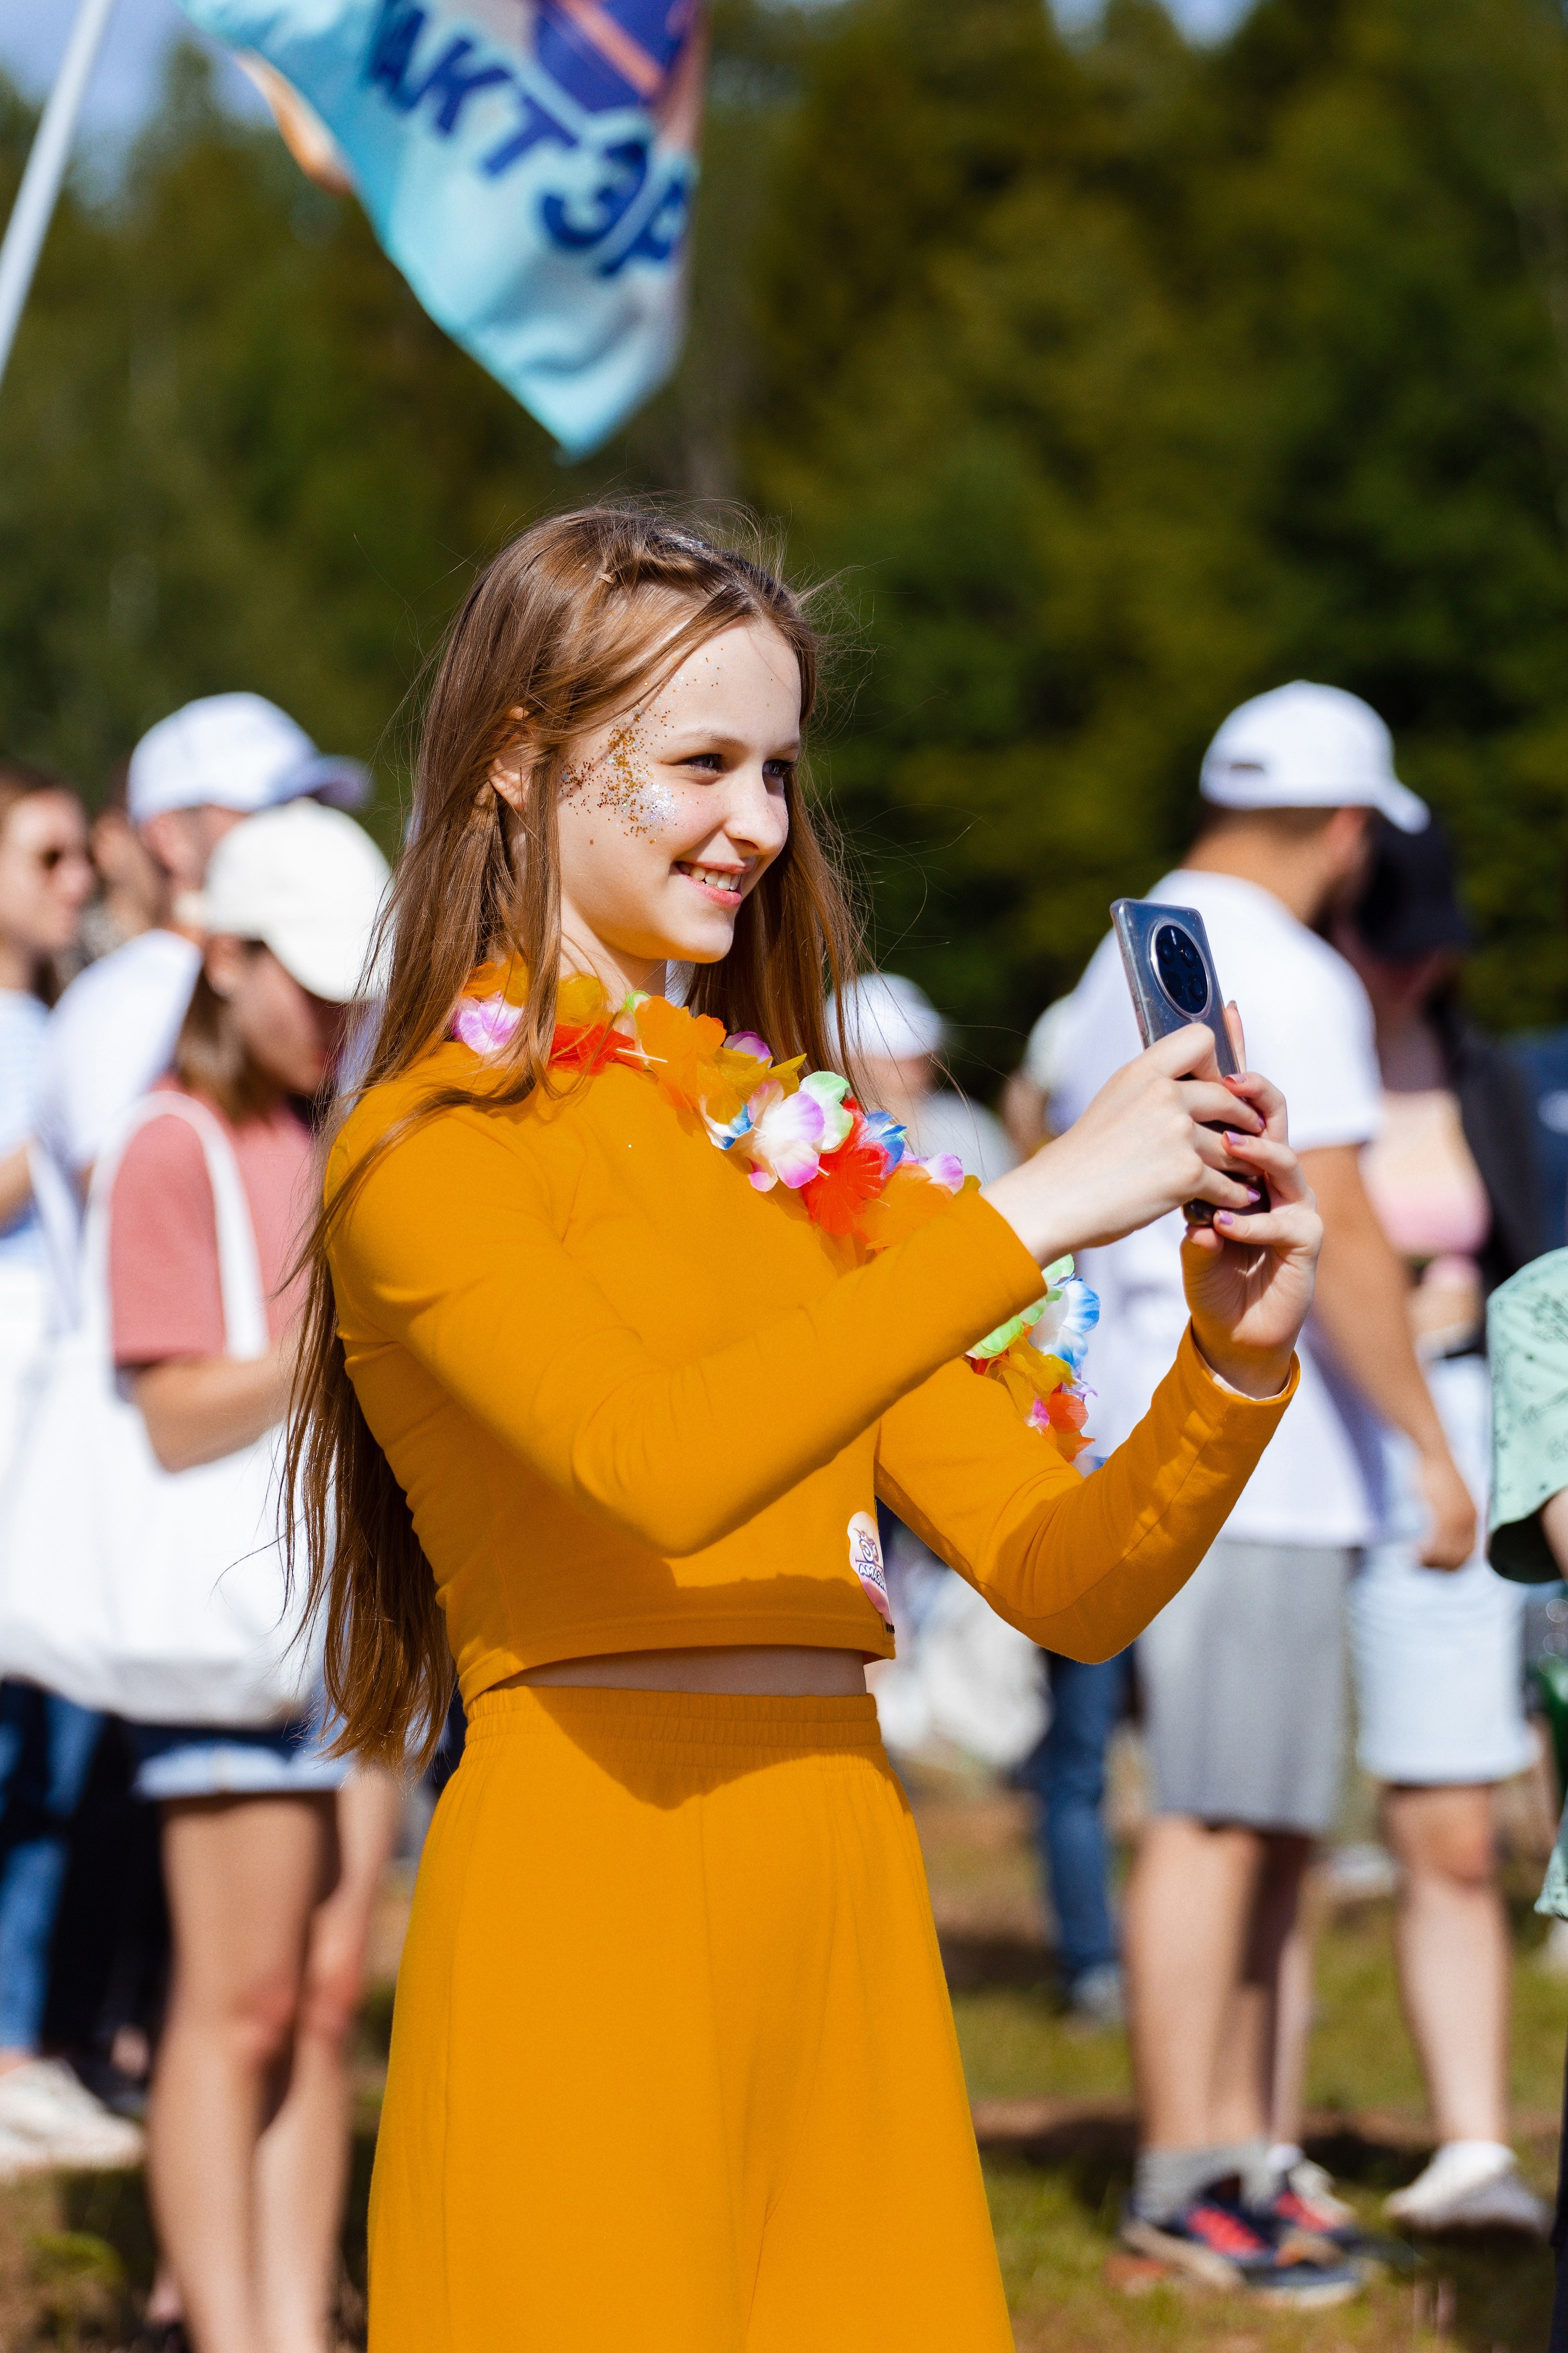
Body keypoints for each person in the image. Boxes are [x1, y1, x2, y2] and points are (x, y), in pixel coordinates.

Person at [284, 506, 1337, 2350]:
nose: (758, 823)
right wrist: (1027, 1210)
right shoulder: (424, 1150)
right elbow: (655, 1464)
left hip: (842, 1873)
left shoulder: (807, 1159)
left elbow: (1061, 1578)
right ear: (524, 767)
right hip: (590, 1878)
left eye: (776, 768)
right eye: (697, 762)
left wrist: (1230, 1365)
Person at [1048, 681, 1477, 2290]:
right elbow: (1343, 1229)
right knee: (1223, 1826)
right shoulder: (1288, 969)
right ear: (1352, 828)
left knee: (1264, 1826)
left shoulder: (1128, 955)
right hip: (1254, 1448)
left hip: (1187, 1430)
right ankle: (1188, 2175)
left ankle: (1245, 2153)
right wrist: (1432, 1454)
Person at [104, 800, 399, 2353]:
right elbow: (165, 1412)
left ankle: (294, 2317)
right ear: (225, 960)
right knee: (238, 2007)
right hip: (229, 1624)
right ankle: (236, 2326)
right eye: (311, 984)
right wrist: (340, 1354)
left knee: (324, 1992)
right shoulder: (173, 1139)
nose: (337, 1018)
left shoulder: (315, 1128)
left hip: (328, 1622)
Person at [1335, 817, 1549, 2235]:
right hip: (1375, 1467)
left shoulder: (1489, 1080)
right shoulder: (1300, 1070)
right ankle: (1464, 2133)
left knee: (1508, 1812)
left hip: (1509, 1437)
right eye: (1388, 940)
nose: (1412, 969)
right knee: (1443, 1824)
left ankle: (1484, 2142)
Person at [30, 692, 369, 1330]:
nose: (304, 825)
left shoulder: (333, 975)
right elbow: (130, 1223)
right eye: (270, 808)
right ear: (168, 839)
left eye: (316, 805)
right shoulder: (127, 1002)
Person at [0, 759, 138, 2175]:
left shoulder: (49, 1021)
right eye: (43, 860)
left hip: (46, 1427)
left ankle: (30, 2038)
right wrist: (79, 1144)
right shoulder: (45, 1040)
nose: (73, 884)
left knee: (50, 1752)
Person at [827, 970, 1017, 1181]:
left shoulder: (968, 1123)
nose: (912, 1061)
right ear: (843, 1058)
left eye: (917, 1052)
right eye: (889, 1053)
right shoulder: (824, 1138)